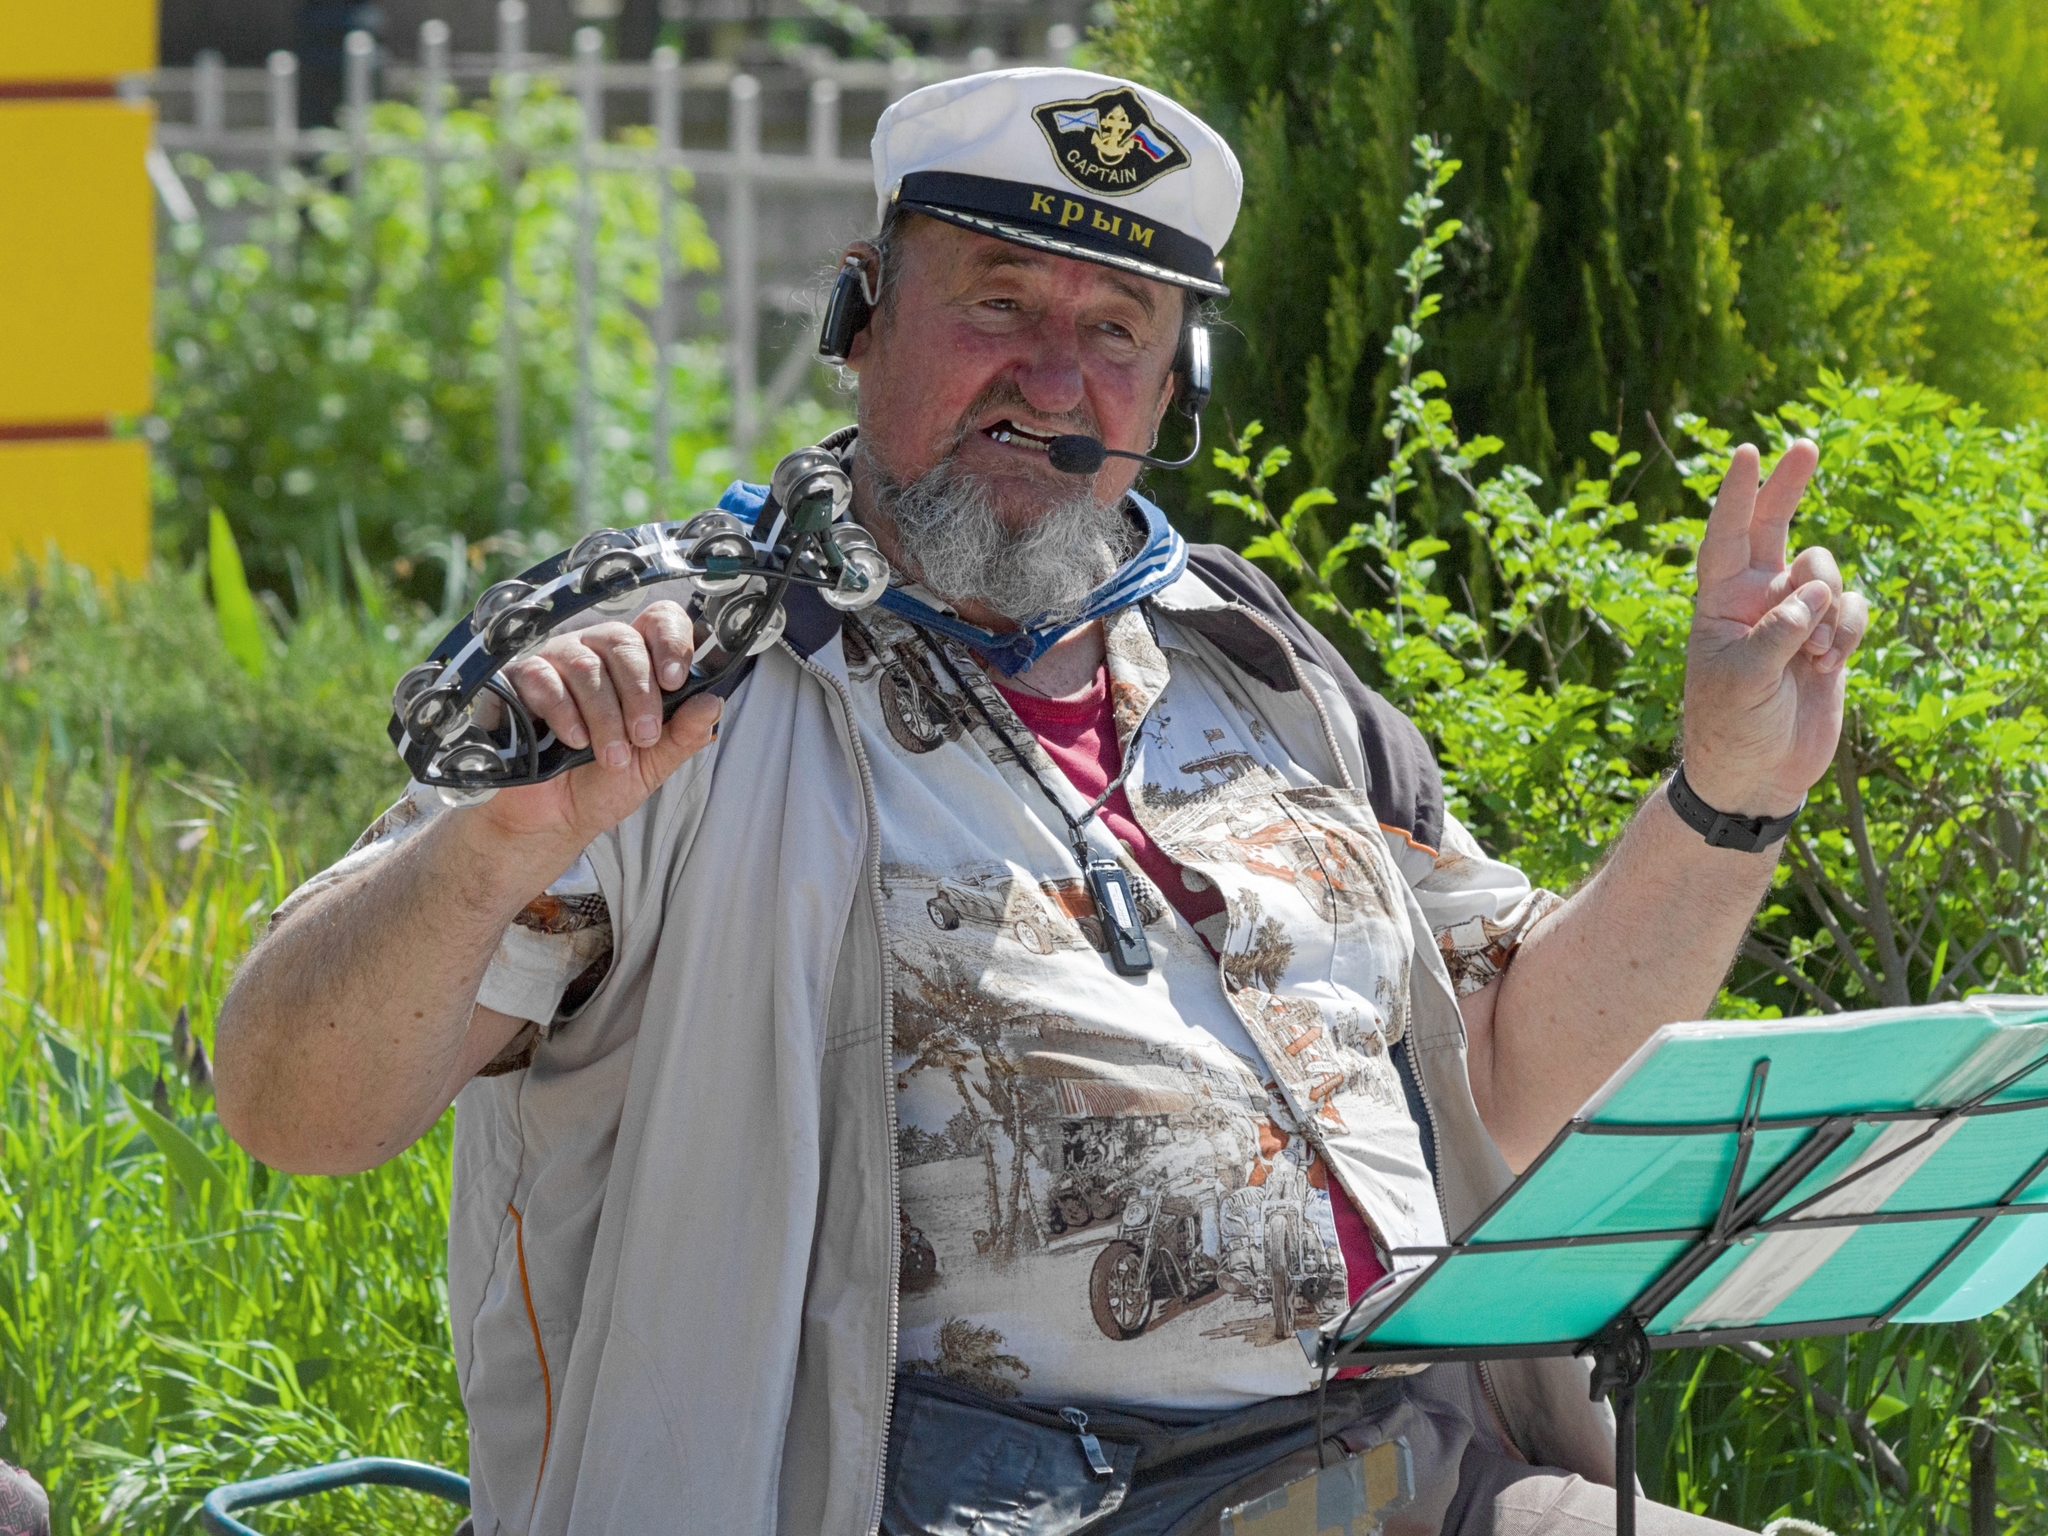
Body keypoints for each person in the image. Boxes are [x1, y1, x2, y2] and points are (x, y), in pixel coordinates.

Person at [213, 66, 1869, 1536]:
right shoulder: (673, 675)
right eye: (997, 305)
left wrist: (1723, 794)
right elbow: (294, 1109)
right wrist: (489, 849)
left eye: (1115, 332)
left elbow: (1507, 1067)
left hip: (1418, 1475)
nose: (1051, 380)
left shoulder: (1263, 671)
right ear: (862, 318)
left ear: (1173, 392)